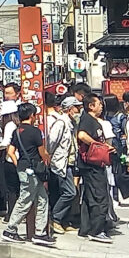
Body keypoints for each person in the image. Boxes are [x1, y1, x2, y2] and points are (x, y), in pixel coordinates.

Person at [1, 103, 54, 246]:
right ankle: (10, 229)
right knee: (25, 199)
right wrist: (47, 160)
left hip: (23, 168)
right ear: (32, 116)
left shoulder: (17, 131)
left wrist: (18, 164)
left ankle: (40, 233)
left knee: (43, 199)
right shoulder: (35, 132)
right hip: (34, 170)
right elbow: (42, 153)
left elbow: (10, 152)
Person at [77, 93, 116, 243]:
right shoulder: (87, 119)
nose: (101, 107)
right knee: (100, 197)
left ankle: (87, 228)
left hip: (94, 165)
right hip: (92, 165)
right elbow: (81, 135)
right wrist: (97, 145)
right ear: (91, 106)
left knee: (89, 197)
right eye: (99, 104)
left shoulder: (94, 121)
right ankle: (97, 230)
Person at [46, 95, 79, 233]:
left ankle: (62, 220)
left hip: (69, 162)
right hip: (61, 163)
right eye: (77, 107)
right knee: (70, 192)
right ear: (70, 109)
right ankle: (56, 218)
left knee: (63, 192)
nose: (79, 110)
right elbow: (51, 142)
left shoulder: (71, 123)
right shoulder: (61, 123)